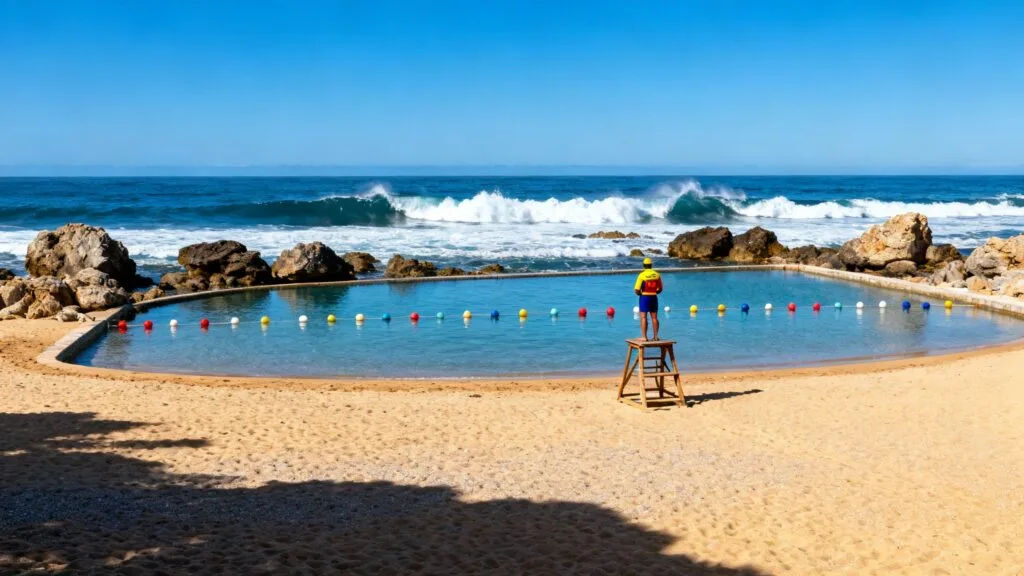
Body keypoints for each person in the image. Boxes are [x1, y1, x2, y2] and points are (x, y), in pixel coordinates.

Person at [633, 257, 663, 341]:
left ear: (644, 265)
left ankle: (644, 337)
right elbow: (660, 289)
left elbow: (636, 289)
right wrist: (654, 293)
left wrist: (640, 294)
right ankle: (656, 337)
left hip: (645, 297)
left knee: (643, 317)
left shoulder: (641, 275)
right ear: (651, 265)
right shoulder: (657, 275)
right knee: (654, 317)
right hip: (654, 297)